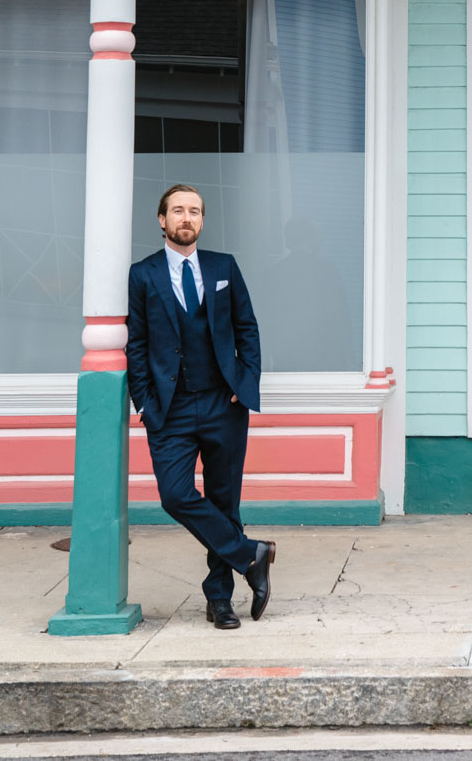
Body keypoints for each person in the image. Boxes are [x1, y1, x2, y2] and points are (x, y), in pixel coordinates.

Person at [127, 183, 275, 630]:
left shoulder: (223, 266)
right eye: (177, 211)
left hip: (222, 403)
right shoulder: (143, 274)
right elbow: (137, 345)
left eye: (194, 211)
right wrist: (147, 403)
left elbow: (247, 327)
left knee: (223, 501)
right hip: (169, 409)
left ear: (202, 220)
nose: (186, 218)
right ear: (161, 220)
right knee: (175, 495)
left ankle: (220, 600)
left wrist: (243, 384)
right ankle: (252, 555)